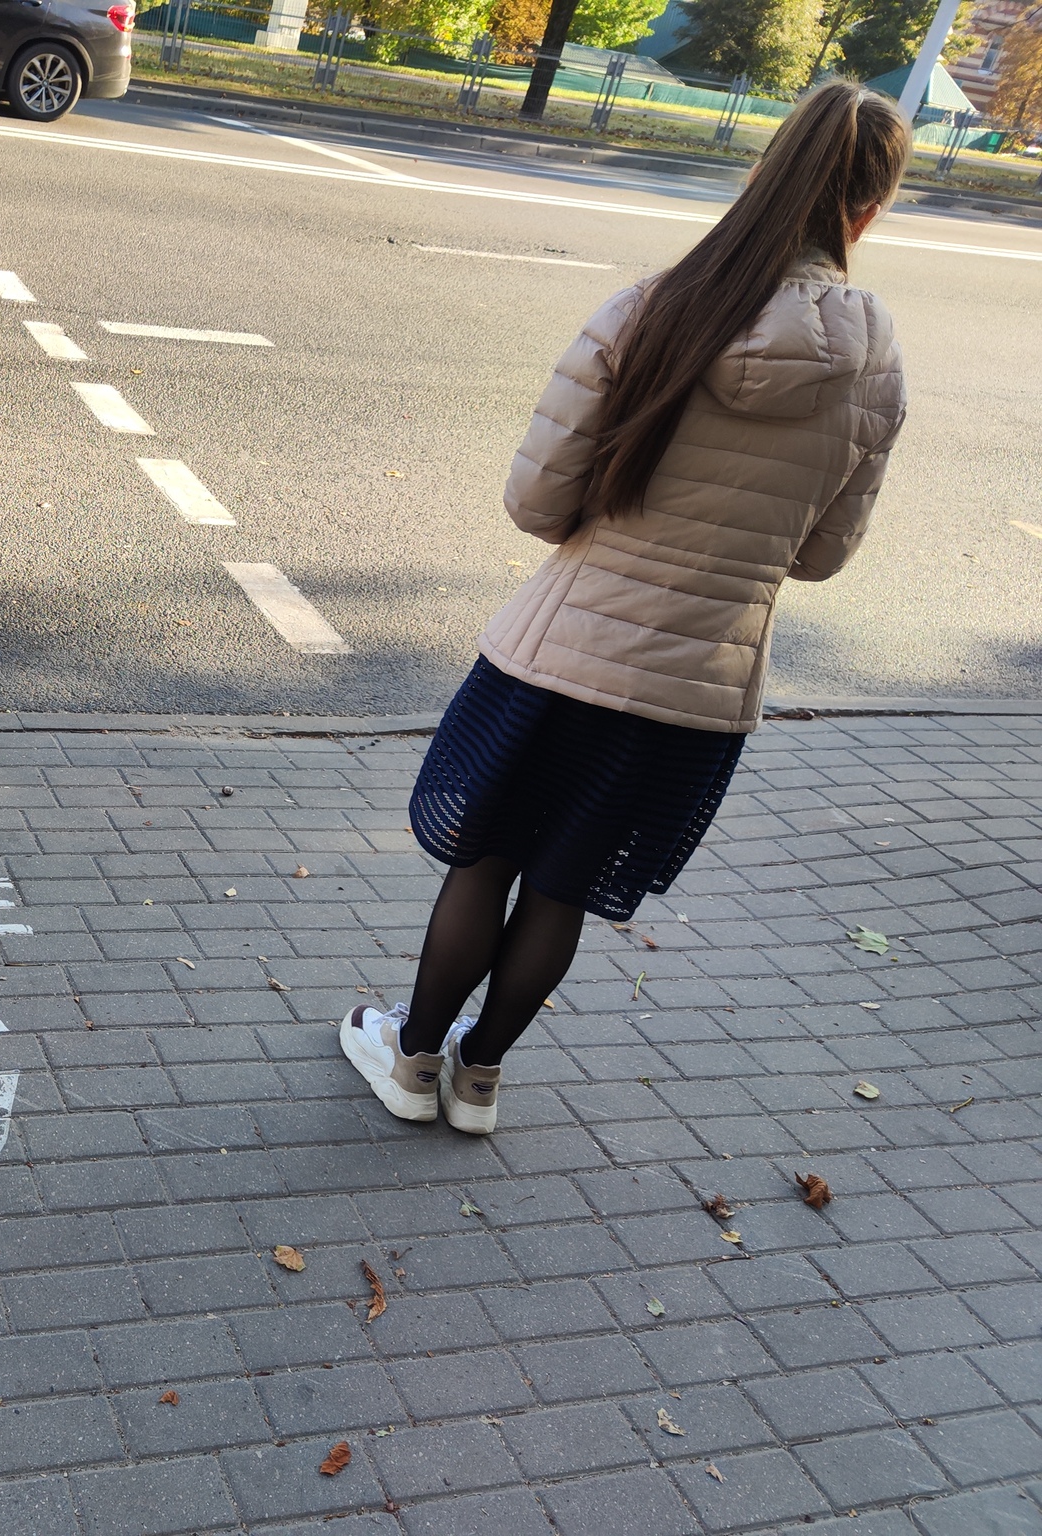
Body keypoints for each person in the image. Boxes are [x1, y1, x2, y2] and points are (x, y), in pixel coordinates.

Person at [341, 78, 914, 1135]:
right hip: (693, 693)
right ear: (867, 210)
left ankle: (410, 1058)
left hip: (557, 660)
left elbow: (533, 501)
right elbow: (823, 556)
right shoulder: (873, 367)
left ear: (764, 172)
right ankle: (479, 1082)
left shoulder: (653, 310)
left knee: (487, 858)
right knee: (557, 889)